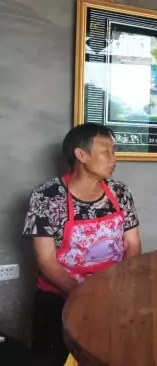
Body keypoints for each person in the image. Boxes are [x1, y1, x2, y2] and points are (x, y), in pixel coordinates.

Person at [22, 123, 142, 366]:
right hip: (61, 296)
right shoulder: (47, 196)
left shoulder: (120, 192)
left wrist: (120, 288)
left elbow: (132, 244)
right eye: (106, 151)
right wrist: (82, 296)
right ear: (81, 155)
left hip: (113, 293)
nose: (114, 158)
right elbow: (46, 260)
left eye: (114, 151)